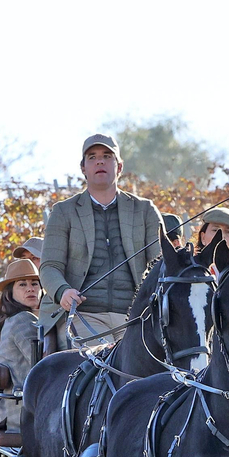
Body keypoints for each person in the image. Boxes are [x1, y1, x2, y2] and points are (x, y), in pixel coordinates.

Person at [38, 133, 162, 347]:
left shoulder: (145, 211)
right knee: (103, 368)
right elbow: (49, 267)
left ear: (119, 167)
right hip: (83, 315)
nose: (100, 161)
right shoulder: (63, 212)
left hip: (136, 318)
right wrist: (62, 291)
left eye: (107, 156)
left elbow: (161, 264)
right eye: (92, 157)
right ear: (83, 169)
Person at [0, 258, 44, 431]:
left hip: (12, 412)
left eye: (35, 283)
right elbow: (42, 364)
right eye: (22, 284)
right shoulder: (23, 320)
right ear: (10, 293)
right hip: (26, 416)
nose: (30, 288)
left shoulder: (10, 320)